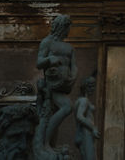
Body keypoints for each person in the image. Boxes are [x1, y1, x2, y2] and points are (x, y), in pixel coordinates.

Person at [35, 14, 78, 151]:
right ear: (61, 27)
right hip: (51, 85)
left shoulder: (69, 47)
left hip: (64, 83)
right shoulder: (47, 42)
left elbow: (74, 65)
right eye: (67, 28)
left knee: (54, 115)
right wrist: (49, 59)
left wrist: (74, 75)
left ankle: (50, 145)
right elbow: (39, 62)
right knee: (67, 107)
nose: (68, 31)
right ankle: (45, 144)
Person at [73, 75, 99, 160]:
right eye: (91, 86)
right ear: (86, 86)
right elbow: (79, 116)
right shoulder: (84, 100)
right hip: (85, 133)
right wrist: (93, 128)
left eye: (94, 85)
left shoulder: (80, 100)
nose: (93, 88)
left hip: (82, 133)